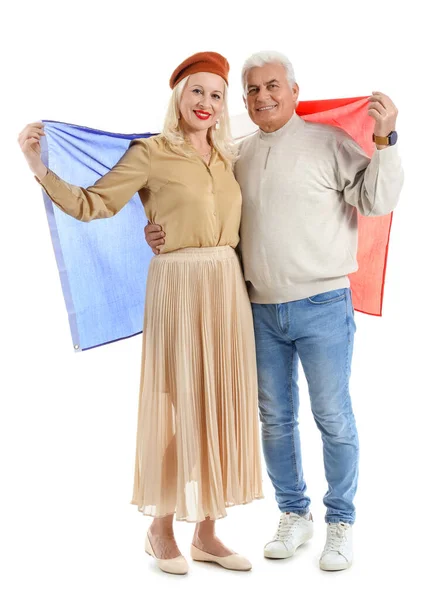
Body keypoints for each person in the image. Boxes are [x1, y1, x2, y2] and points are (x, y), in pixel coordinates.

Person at [145, 50, 404, 571]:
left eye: (272, 86)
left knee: (332, 416)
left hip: (322, 304)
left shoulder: (327, 142)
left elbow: (377, 199)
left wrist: (385, 139)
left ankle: (340, 523)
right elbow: (202, 206)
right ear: (243, 100)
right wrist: (159, 232)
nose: (262, 97)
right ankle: (294, 514)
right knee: (275, 420)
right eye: (252, 90)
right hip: (257, 309)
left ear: (293, 90)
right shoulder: (234, 152)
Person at [18, 51, 263, 575]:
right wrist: (39, 167)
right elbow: (95, 205)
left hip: (226, 286)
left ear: (225, 106)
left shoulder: (229, 156)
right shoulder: (150, 152)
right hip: (179, 287)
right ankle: (159, 527)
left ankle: (207, 533)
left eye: (216, 95)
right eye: (197, 91)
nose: (207, 102)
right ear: (178, 96)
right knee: (179, 406)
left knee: (219, 403)